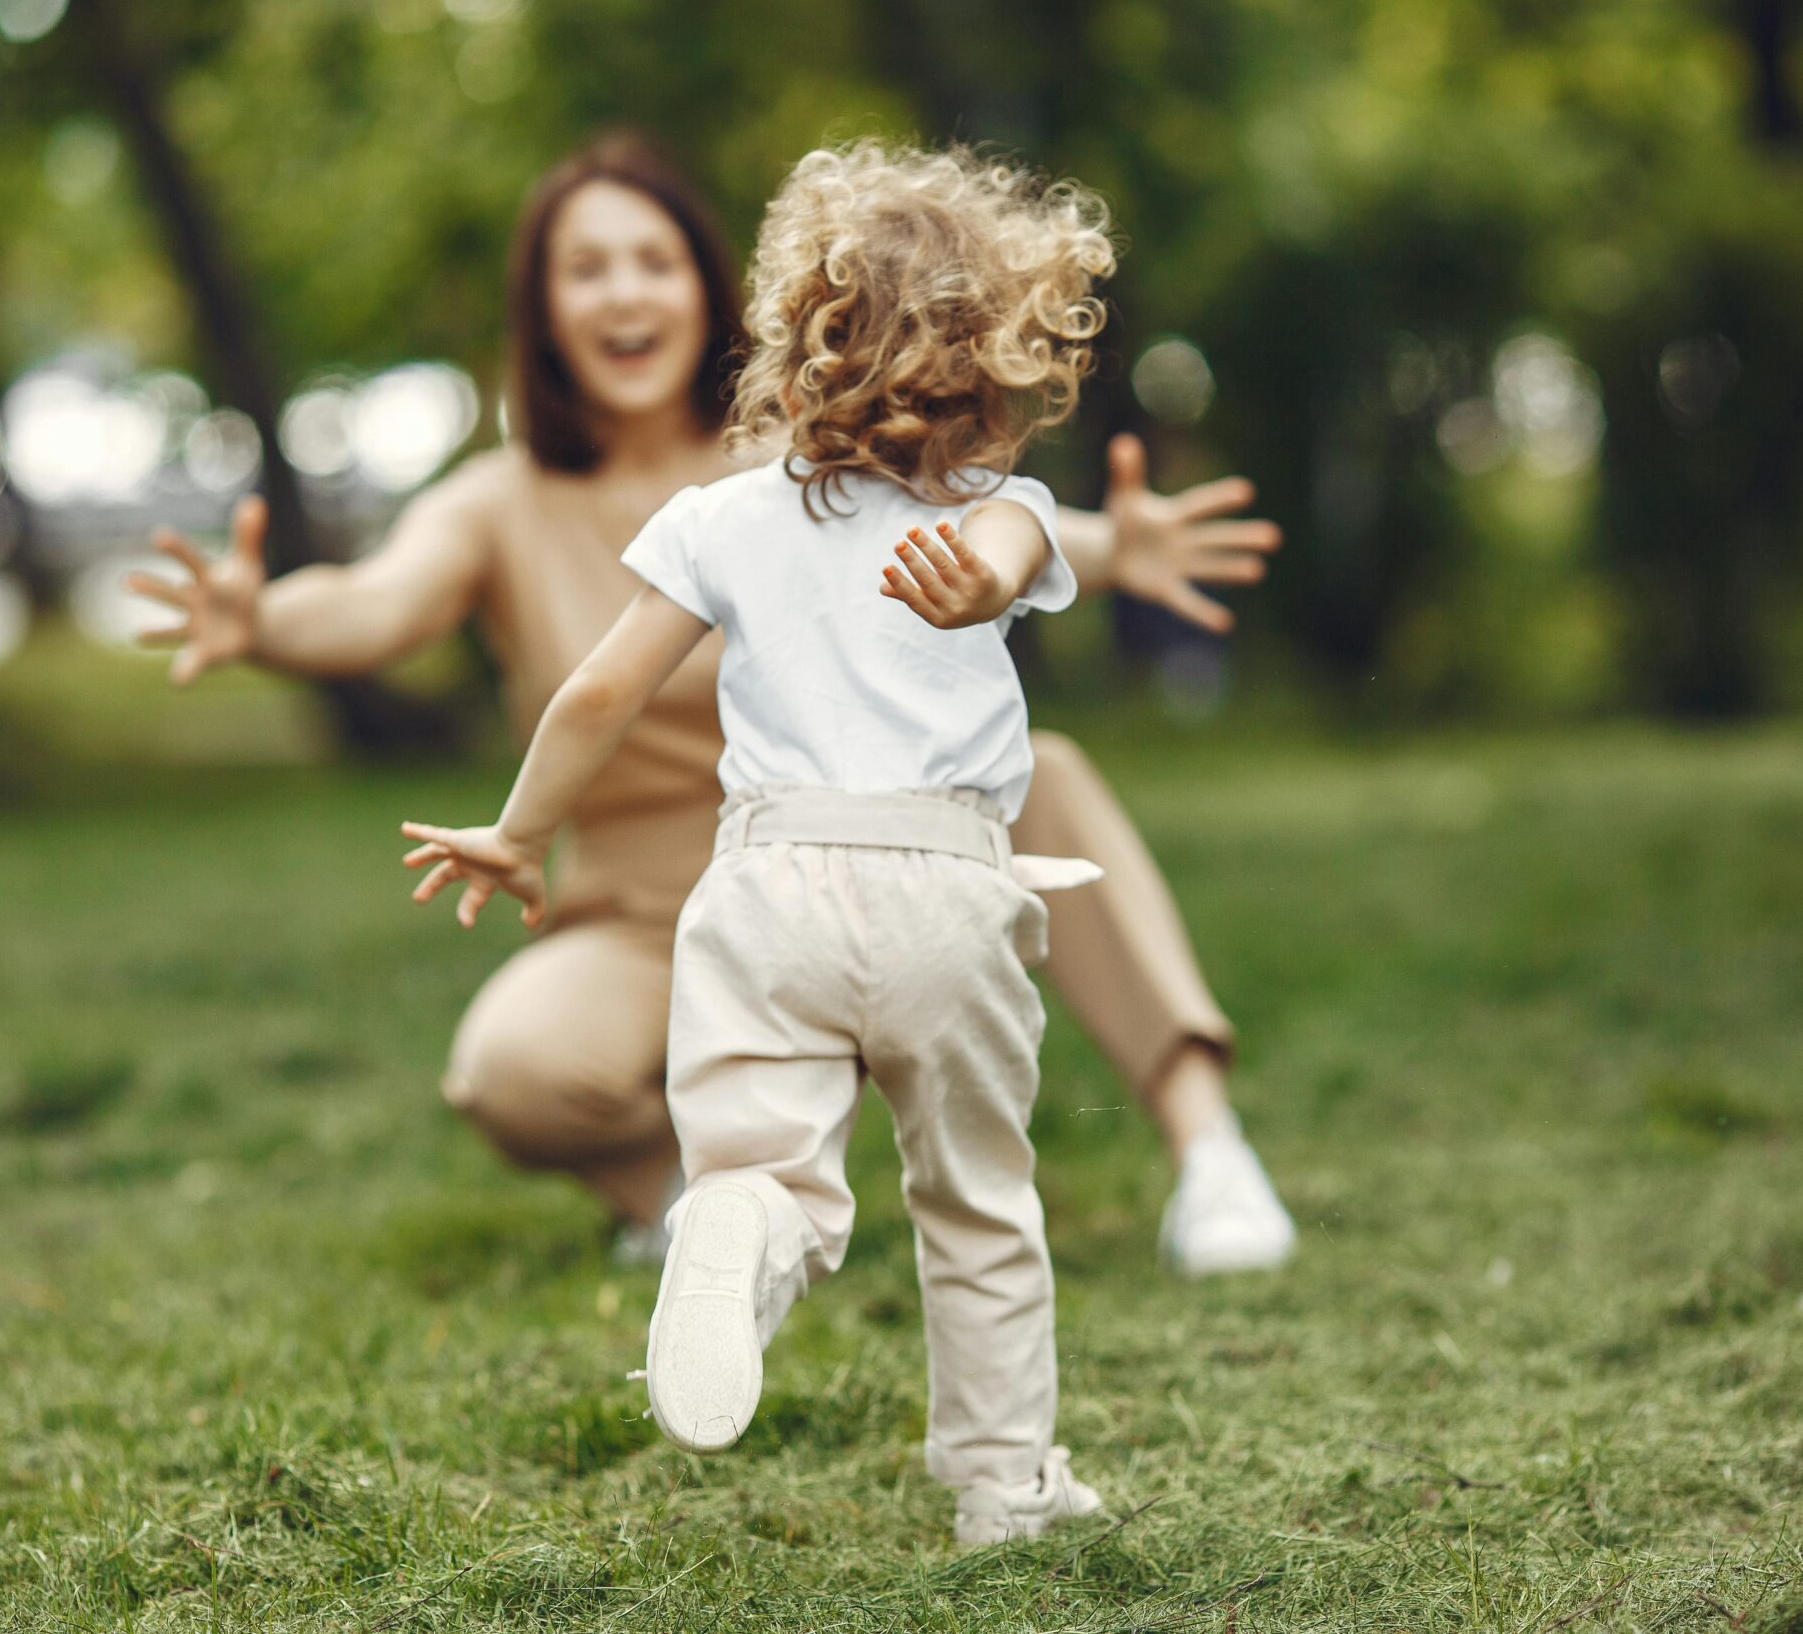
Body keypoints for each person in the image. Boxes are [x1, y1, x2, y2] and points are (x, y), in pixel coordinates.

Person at [131, 132, 1294, 1276]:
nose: (622, 294)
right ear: (541, 311)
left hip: (879, 855)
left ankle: (1211, 1151)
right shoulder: (497, 503)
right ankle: (693, 1204)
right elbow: (375, 602)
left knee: (1051, 774)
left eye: (653, 260)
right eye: (584, 269)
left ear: (708, 288)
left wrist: (1114, 547)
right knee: (513, 1069)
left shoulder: (804, 459)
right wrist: (266, 623)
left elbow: (976, 517)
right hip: (655, 924)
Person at [402, 140, 1119, 1545]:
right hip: (944, 891)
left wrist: (518, 827)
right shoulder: (1004, 513)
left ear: (790, 342)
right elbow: (1011, 564)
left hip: (762, 892)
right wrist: (982, 578)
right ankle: (1005, 1482)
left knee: (768, 1166)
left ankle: (738, 1226)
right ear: (997, 363)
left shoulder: (720, 515)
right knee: (974, 1199)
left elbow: (601, 687)